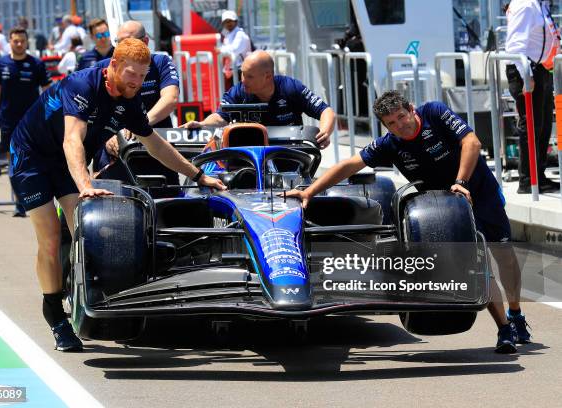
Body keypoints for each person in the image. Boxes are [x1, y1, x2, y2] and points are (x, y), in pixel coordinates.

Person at [8, 38, 225, 351]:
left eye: (142, 75)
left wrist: (199, 175)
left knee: (85, 232)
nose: (137, 81)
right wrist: (84, 185)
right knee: (51, 239)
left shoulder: (131, 99)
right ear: (112, 67)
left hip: (67, 160)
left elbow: (155, 145)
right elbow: (72, 141)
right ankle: (54, 314)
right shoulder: (83, 85)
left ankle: (88, 297)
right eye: (131, 74)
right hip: (32, 156)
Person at [286, 91, 531, 353]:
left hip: (479, 192)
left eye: (402, 117)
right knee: (480, 262)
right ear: (385, 126)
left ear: (411, 109)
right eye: (391, 123)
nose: (400, 125)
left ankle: (515, 313)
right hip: (446, 210)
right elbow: (349, 166)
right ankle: (504, 329)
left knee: (504, 256)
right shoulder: (389, 144)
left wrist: (461, 182)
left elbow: (472, 143)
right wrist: (309, 192)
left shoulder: (434, 113)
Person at [182, 50, 336, 149]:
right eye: (242, 74)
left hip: (289, 154)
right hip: (250, 157)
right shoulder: (238, 92)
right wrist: (202, 124)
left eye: (249, 76)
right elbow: (220, 117)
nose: (243, 80)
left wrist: (325, 132)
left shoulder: (290, 87)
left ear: (268, 76)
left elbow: (325, 111)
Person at [94, 20, 179, 180]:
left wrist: (139, 125)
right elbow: (91, 113)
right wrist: (107, 136)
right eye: (119, 43)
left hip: (158, 147)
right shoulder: (101, 68)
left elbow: (170, 99)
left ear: (145, 42)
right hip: (115, 151)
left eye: (129, 42)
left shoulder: (161, 63)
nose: (123, 48)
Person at [0, 26, 51, 217]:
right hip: (8, 121)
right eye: (15, 41)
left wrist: (49, 117)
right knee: (14, 163)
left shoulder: (36, 64)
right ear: (10, 41)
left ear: (27, 42)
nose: (19, 44)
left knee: (32, 162)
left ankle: (34, 199)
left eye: (22, 41)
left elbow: (48, 91)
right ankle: (19, 203)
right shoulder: (2, 63)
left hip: (32, 123)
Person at [505, 0, 560, 194]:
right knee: (531, 126)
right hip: (525, 70)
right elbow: (514, 45)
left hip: (541, 68)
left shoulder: (540, 4)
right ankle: (528, 180)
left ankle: (539, 176)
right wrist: (526, 75)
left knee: (543, 126)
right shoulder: (526, 5)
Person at [219, 10, 251, 87]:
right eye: (226, 22)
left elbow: (234, 49)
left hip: (242, 71)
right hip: (233, 70)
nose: (228, 23)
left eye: (230, 21)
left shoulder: (240, 35)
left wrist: (220, 50)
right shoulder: (228, 35)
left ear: (236, 22)